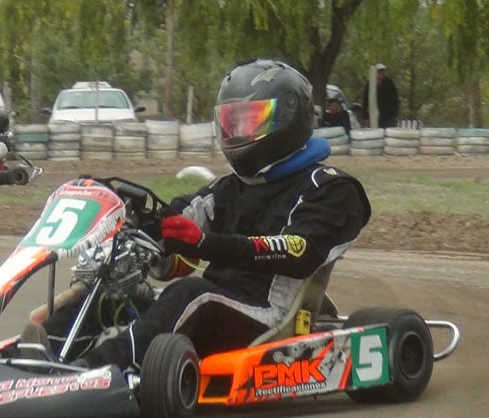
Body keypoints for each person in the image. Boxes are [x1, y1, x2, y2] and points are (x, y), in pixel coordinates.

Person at [25, 59, 372, 374]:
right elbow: (176, 219)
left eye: (251, 120)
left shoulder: (331, 188)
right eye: (233, 122)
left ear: (289, 118)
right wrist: (128, 214)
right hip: (215, 304)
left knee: (189, 292)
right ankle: (31, 361)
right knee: (113, 295)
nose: (239, 132)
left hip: (267, 315)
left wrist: (205, 244)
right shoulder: (229, 188)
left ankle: (93, 372)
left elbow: (298, 251)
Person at [361, 63, 399, 128]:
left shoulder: (389, 83)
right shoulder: (370, 83)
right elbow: (365, 100)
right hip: (373, 116)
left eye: (382, 71)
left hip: (388, 116)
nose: (381, 73)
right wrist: (365, 117)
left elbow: (395, 99)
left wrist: (393, 113)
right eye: (379, 71)